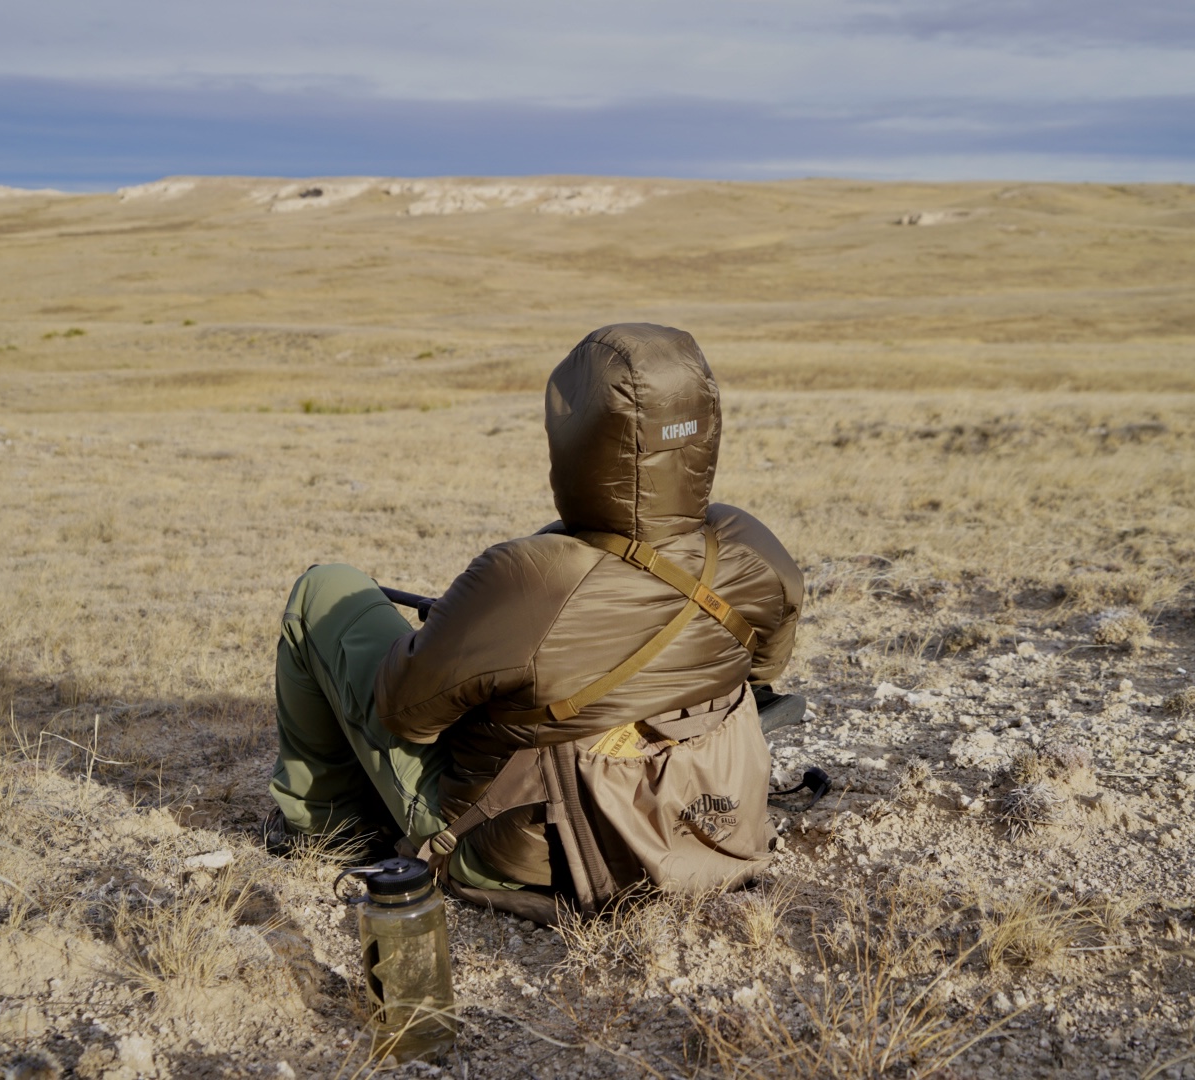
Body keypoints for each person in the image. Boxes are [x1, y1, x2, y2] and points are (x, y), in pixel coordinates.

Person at [263, 323, 803, 912]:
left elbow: (403, 713)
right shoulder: (756, 549)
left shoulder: (527, 577)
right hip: (699, 828)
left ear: (575, 444)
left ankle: (322, 831)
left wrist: (453, 636)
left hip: (531, 853)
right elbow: (760, 671)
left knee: (325, 591)